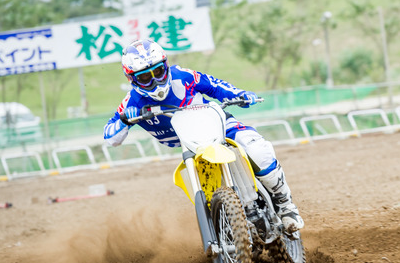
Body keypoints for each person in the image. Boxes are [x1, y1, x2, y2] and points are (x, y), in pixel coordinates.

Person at [104, 39, 304, 232]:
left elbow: (215, 86)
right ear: (132, 79)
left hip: (219, 125)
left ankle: (286, 206)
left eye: (157, 72)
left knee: (257, 150)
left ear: (165, 66)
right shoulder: (132, 101)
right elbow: (110, 137)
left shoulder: (183, 76)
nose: (155, 80)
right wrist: (123, 120)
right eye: (145, 77)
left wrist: (240, 94)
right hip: (189, 144)